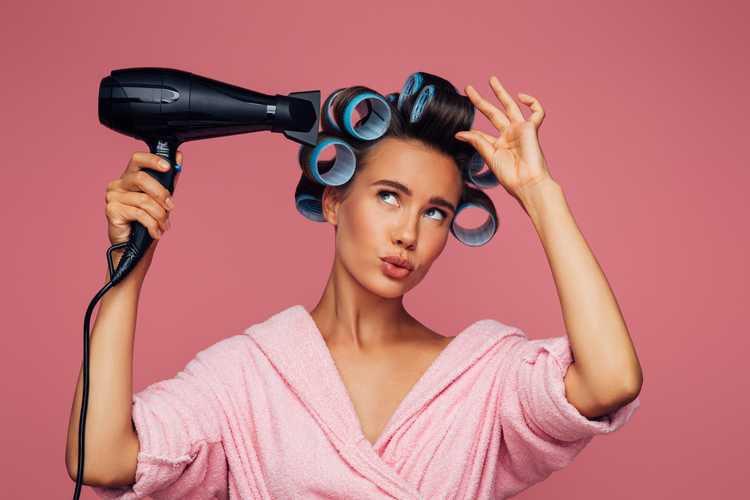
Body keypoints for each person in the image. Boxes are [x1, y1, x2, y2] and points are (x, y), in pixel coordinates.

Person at [65, 71, 643, 499]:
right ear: (335, 198)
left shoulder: (480, 378)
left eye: (436, 212)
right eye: (389, 196)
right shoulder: (249, 376)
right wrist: (128, 267)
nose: (408, 234)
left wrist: (541, 194)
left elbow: (611, 380)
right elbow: (101, 458)